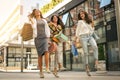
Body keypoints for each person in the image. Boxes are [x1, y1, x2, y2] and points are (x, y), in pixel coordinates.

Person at [28, 9, 50, 78]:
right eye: (36, 12)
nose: (38, 12)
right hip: (37, 39)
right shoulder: (34, 20)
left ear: (40, 12)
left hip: (44, 38)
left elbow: (47, 29)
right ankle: (41, 72)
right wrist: (31, 20)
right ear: (34, 14)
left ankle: (47, 67)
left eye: (38, 11)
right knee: (40, 55)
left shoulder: (44, 20)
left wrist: (48, 37)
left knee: (46, 51)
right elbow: (34, 28)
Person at [75, 10, 99, 76]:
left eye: (82, 13)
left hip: (90, 36)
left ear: (85, 14)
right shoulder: (80, 22)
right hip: (83, 37)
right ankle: (87, 67)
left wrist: (92, 27)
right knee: (86, 52)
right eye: (80, 14)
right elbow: (78, 30)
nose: (81, 15)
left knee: (95, 46)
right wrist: (77, 38)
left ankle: (96, 62)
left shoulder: (89, 21)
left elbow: (92, 29)